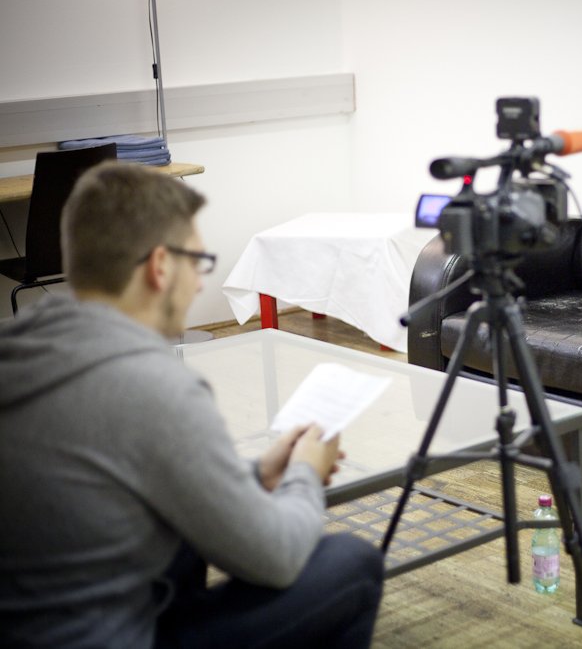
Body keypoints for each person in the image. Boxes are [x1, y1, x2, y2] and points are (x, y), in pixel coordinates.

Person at [0, 163, 384, 647]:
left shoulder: (17, 348)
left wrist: (255, 474)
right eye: (198, 263)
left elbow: (112, 473)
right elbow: (278, 557)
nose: (200, 284)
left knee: (183, 539)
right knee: (352, 563)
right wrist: (305, 471)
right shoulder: (156, 386)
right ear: (161, 267)